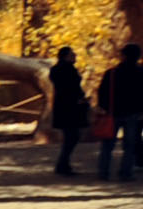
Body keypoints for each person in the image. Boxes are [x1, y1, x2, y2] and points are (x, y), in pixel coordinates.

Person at [46, 46, 92, 177]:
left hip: (65, 106)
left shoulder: (58, 70)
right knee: (72, 136)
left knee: (71, 136)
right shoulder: (66, 70)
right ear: (66, 56)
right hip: (70, 107)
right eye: (72, 54)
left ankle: (63, 164)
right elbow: (68, 88)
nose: (75, 56)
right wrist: (78, 99)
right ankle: (62, 164)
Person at [102, 42, 143, 181]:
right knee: (130, 145)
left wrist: (106, 108)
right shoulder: (141, 72)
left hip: (113, 113)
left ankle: (104, 172)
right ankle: (125, 173)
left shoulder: (111, 73)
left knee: (108, 145)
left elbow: (103, 93)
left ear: (123, 55)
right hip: (133, 114)